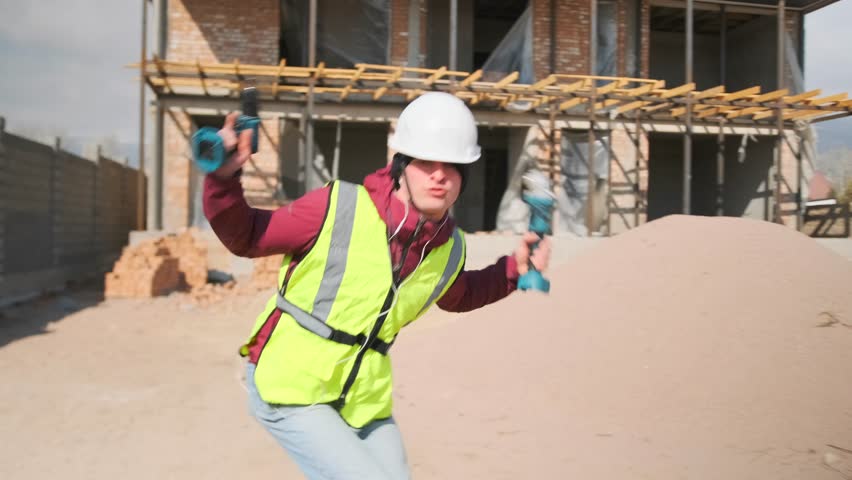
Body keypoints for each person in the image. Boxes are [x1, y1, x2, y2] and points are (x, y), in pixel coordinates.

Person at [203, 92, 551, 480]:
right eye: (425, 162)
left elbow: (458, 295)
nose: (439, 174)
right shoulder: (338, 207)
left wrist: (512, 271)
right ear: (401, 165)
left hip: (361, 398)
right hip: (290, 384)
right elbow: (248, 236)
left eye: (452, 166)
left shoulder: (449, 248)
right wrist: (223, 180)